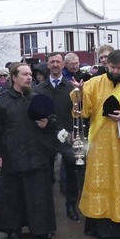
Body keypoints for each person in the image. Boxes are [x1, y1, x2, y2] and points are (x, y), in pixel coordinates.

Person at [74, 49, 120, 239]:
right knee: (100, 179)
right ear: (106, 65)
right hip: (99, 142)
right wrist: (79, 93)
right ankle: (100, 225)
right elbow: (85, 111)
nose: (115, 71)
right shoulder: (93, 83)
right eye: (112, 67)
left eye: (119, 68)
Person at [0, 63, 58, 239]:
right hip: (13, 156)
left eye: (30, 75)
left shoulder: (37, 99)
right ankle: (13, 230)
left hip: (37, 154)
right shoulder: (1, 101)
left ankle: (40, 229)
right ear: (14, 77)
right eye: (25, 74)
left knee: (38, 195)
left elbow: (52, 122)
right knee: (14, 196)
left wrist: (47, 123)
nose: (29, 78)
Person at [34, 52, 80, 220]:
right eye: (52, 62)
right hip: (46, 136)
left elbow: (79, 112)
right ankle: (47, 210)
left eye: (58, 62)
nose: (55, 64)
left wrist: (75, 132)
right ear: (48, 65)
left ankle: (71, 206)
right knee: (46, 175)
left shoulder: (72, 88)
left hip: (67, 136)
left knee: (71, 173)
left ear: (63, 65)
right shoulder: (39, 89)